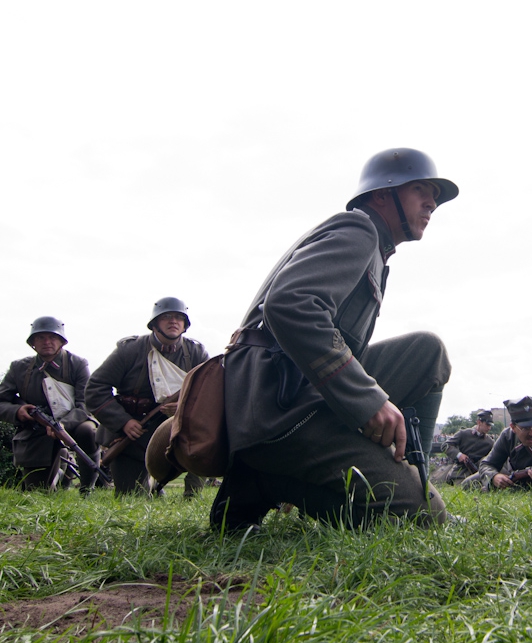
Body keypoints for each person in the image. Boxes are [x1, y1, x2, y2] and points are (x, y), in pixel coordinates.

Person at [209, 148, 455, 531]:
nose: (432, 203)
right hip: (279, 412)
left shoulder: (373, 247)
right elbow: (290, 304)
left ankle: (411, 471)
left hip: (300, 394)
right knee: (423, 519)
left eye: (435, 196)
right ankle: (261, 479)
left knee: (427, 352)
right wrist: (367, 400)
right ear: (381, 194)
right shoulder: (358, 230)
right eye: (421, 189)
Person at [86, 297, 208, 496]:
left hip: (177, 430)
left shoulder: (196, 353)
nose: (173, 321)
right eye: (166, 316)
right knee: (131, 495)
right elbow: (95, 388)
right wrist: (123, 422)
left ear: (185, 325)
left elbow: (209, 395)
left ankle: (192, 494)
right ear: (154, 324)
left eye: (179, 318)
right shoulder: (130, 350)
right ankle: (151, 485)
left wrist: (181, 407)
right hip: (133, 433)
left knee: (207, 439)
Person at [0, 317, 100, 492]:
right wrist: (17, 411)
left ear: (61, 341)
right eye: (40, 338)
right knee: (38, 492)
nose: (47, 342)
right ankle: (62, 466)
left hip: (72, 423)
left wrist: (63, 425)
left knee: (88, 431)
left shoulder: (77, 364)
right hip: (36, 431)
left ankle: (87, 487)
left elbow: (86, 403)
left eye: (52, 337)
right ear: (33, 343)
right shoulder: (18, 368)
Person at [464, 396, 532, 490]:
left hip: (530, 485)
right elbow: (486, 464)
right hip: (508, 475)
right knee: (468, 484)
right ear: (513, 427)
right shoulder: (507, 436)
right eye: (525, 428)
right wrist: (494, 477)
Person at [440, 409, 496, 485]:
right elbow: (446, 445)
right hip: (460, 472)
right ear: (479, 422)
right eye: (487, 425)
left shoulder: (490, 442)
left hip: (478, 473)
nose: (489, 428)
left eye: (490, 425)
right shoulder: (463, 433)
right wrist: (459, 455)